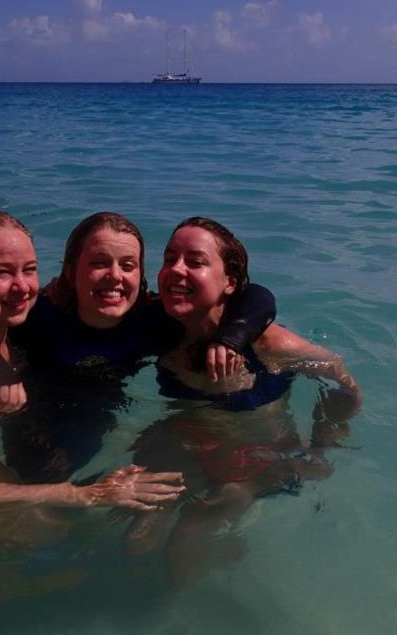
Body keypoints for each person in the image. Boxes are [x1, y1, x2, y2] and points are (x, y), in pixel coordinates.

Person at [0, 212, 277, 485]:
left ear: (140, 275)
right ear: (69, 271)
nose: (114, 276)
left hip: (102, 405)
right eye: (98, 264)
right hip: (36, 406)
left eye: (128, 265)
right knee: (42, 480)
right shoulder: (37, 313)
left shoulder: (154, 318)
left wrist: (232, 338)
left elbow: (256, 295)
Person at [125, 216, 362, 585]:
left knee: (181, 552)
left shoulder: (272, 347)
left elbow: (345, 386)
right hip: (186, 445)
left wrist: (321, 446)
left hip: (253, 464)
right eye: (169, 258)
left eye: (195, 261)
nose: (176, 270)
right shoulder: (165, 331)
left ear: (230, 282)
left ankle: (180, 611)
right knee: (137, 541)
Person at [0, 208, 184, 510]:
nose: (23, 287)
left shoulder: (7, 325)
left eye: (29, 269)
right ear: (69, 271)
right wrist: (84, 494)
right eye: (2, 272)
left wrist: (228, 341)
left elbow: (235, 298)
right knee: (42, 524)